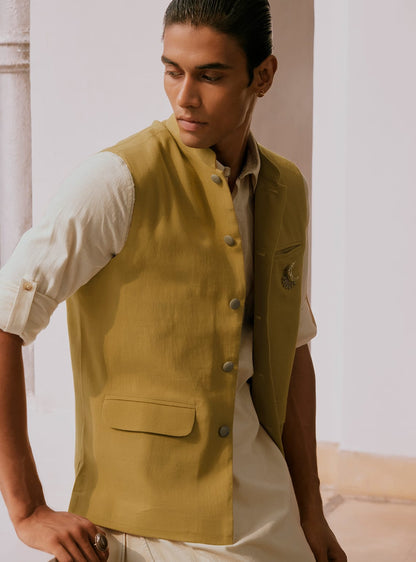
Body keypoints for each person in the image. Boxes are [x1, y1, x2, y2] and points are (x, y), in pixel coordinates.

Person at [0, 1, 347, 560]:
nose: (185, 96)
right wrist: (27, 509)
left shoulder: (285, 187)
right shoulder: (116, 182)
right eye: (172, 71)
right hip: (146, 522)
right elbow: (5, 318)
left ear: (263, 76)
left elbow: (292, 352)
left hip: (266, 507)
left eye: (210, 76)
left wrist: (311, 511)